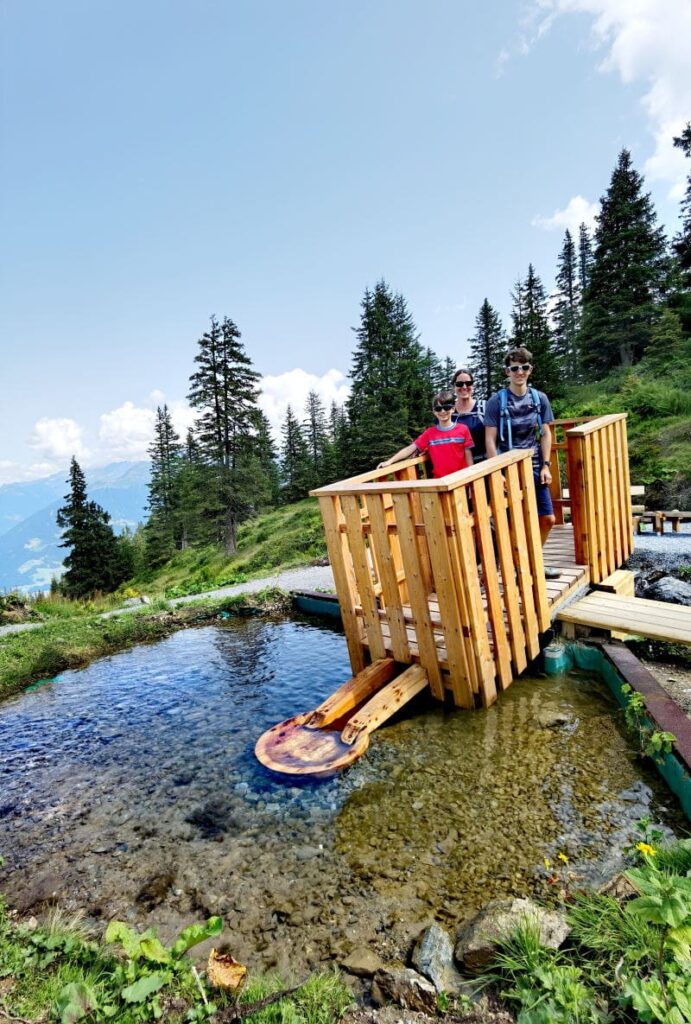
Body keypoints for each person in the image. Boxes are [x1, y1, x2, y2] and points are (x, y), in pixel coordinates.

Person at [484, 347, 560, 578]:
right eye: (515, 368)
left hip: (535, 467)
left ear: (530, 370)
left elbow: (546, 433)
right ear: (507, 371)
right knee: (511, 523)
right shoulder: (497, 401)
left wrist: (546, 465)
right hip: (508, 470)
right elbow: (490, 439)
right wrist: (498, 473)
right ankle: (520, 568)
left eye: (524, 367)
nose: (520, 372)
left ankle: (532, 558)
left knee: (547, 519)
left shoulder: (540, 398)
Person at [377, 390, 474, 478]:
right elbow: (411, 448)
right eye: (438, 409)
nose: (443, 411)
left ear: (453, 409)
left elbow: (469, 458)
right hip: (440, 483)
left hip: (461, 482)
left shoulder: (463, 429)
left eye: (446, 407)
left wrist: (471, 481)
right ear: (433, 411)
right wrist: (390, 461)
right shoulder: (429, 433)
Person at [450, 367, 486, 461]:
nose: (464, 387)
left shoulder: (484, 407)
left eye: (468, 383)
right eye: (459, 384)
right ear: (454, 387)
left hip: (484, 464)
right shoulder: (447, 412)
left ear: (473, 386)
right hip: (458, 467)